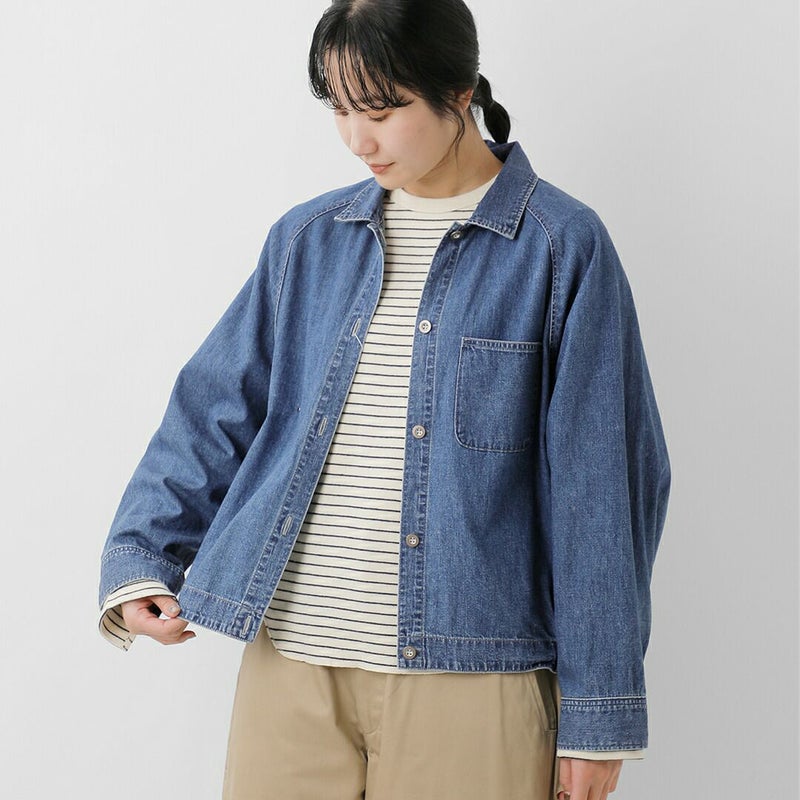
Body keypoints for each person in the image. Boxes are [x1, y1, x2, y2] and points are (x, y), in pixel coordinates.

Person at [98, 1, 671, 799]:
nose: (357, 140)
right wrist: (142, 558)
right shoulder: (309, 240)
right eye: (339, 109)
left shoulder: (559, 245)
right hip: (291, 666)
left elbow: (601, 488)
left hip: (472, 675)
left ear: (459, 92)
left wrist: (598, 712)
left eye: (381, 110)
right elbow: (214, 409)